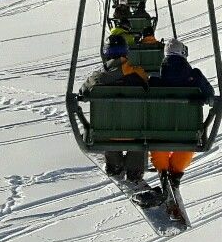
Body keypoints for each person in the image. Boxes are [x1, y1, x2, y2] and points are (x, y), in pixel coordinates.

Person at [149, 39, 215, 198]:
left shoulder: (155, 78)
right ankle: (176, 172)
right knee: (187, 142)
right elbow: (210, 94)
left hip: (160, 128)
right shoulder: (194, 75)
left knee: (159, 141)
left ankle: (163, 168)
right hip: (187, 130)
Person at [80, 31, 149, 181]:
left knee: (110, 128)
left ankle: (114, 164)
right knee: (136, 129)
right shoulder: (137, 73)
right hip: (136, 131)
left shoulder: (97, 77)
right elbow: (148, 89)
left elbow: (83, 92)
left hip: (106, 133)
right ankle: (134, 168)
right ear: (126, 52)